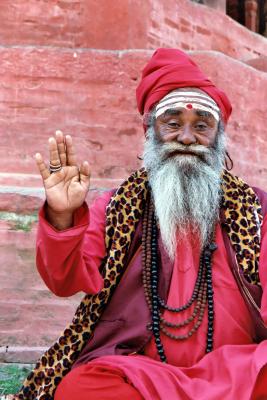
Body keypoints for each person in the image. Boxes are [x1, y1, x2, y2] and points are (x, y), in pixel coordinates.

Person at [14, 48, 267, 400]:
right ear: (149, 131)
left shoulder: (256, 209)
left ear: (219, 137)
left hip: (235, 375)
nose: (187, 138)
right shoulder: (118, 207)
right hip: (142, 375)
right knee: (81, 389)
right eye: (173, 124)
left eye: (202, 127)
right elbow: (65, 279)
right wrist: (61, 216)